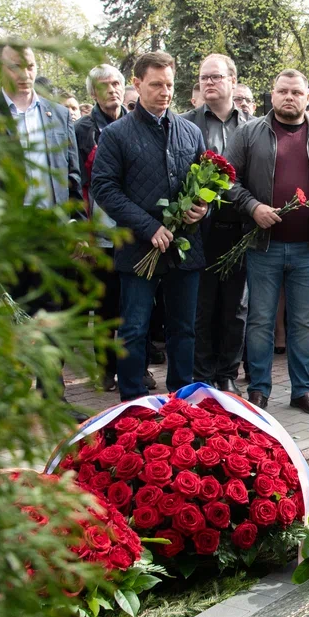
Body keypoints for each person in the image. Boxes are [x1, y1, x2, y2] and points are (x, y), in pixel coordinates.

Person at [225, 69, 309, 416]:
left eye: (296, 92)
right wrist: (253, 206)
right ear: (272, 95)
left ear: (307, 98)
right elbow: (227, 180)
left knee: (303, 323)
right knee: (260, 320)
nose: (289, 97)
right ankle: (259, 390)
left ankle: (302, 391)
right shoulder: (249, 133)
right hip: (263, 246)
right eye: (283, 91)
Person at [90, 51, 210, 402]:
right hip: (138, 247)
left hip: (184, 249)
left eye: (169, 85)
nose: (165, 92)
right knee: (134, 328)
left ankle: (181, 399)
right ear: (137, 83)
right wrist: (148, 226)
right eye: (156, 85)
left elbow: (205, 182)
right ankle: (133, 401)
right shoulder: (117, 134)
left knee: (183, 329)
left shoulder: (190, 131)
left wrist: (202, 208)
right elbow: (104, 188)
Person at [0, 42, 86, 419]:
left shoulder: (58, 114)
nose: (24, 74)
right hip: (8, 234)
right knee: (7, 317)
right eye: (15, 66)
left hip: (53, 233)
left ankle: (52, 397)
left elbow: (73, 176)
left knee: (54, 316)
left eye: (30, 66)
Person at [74, 63, 157, 393]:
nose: (112, 90)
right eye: (104, 85)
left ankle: (139, 366)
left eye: (116, 84)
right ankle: (106, 367)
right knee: (106, 303)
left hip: (137, 229)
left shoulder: (138, 121)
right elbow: (79, 182)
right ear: (93, 92)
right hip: (101, 231)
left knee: (140, 304)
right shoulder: (82, 130)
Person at [182, 53, 251, 395]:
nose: (209, 82)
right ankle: (202, 373)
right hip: (198, 230)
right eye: (204, 77)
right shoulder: (185, 124)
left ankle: (228, 373)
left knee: (236, 308)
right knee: (201, 306)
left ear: (232, 81)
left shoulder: (252, 126)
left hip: (239, 229)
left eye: (216, 77)